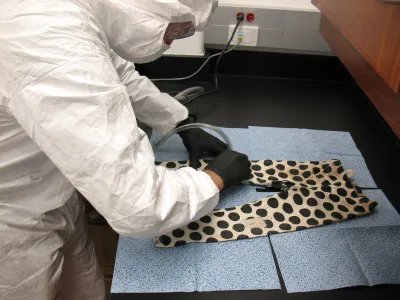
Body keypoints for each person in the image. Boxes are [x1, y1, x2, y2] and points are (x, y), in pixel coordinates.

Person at [0, 1, 251, 299]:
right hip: (13, 221)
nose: (172, 40)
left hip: (49, 189)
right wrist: (215, 178)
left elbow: (118, 75)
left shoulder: (72, 11)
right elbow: (140, 206)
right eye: (178, 28)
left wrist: (179, 120)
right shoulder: (44, 35)